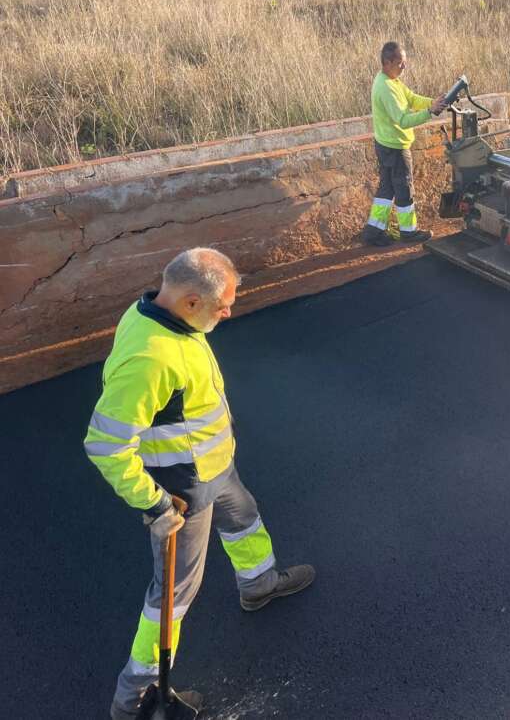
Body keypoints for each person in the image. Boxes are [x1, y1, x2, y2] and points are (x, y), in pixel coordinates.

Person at [85, 247, 316, 719]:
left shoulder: (163, 313)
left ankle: (259, 583)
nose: (229, 312)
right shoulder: (149, 359)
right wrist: (154, 504)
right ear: (190, 301)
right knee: (172, 595)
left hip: (214, 467)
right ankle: (134, 696)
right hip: (182, 493)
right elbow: (105, 445)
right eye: (221, 305)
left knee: (244, 517)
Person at [362, 41, 447, 246]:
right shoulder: (386, 88)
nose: (404, 67)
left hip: (387, 145)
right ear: (388, 62)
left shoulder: (391, 81)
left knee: (387, 190)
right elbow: (402, 120)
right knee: (404, 190)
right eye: (401, 63)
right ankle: (409, 232)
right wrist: (429, 112)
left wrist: (432, 102)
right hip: (395, 148)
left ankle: (373, 231)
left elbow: (411, 98)